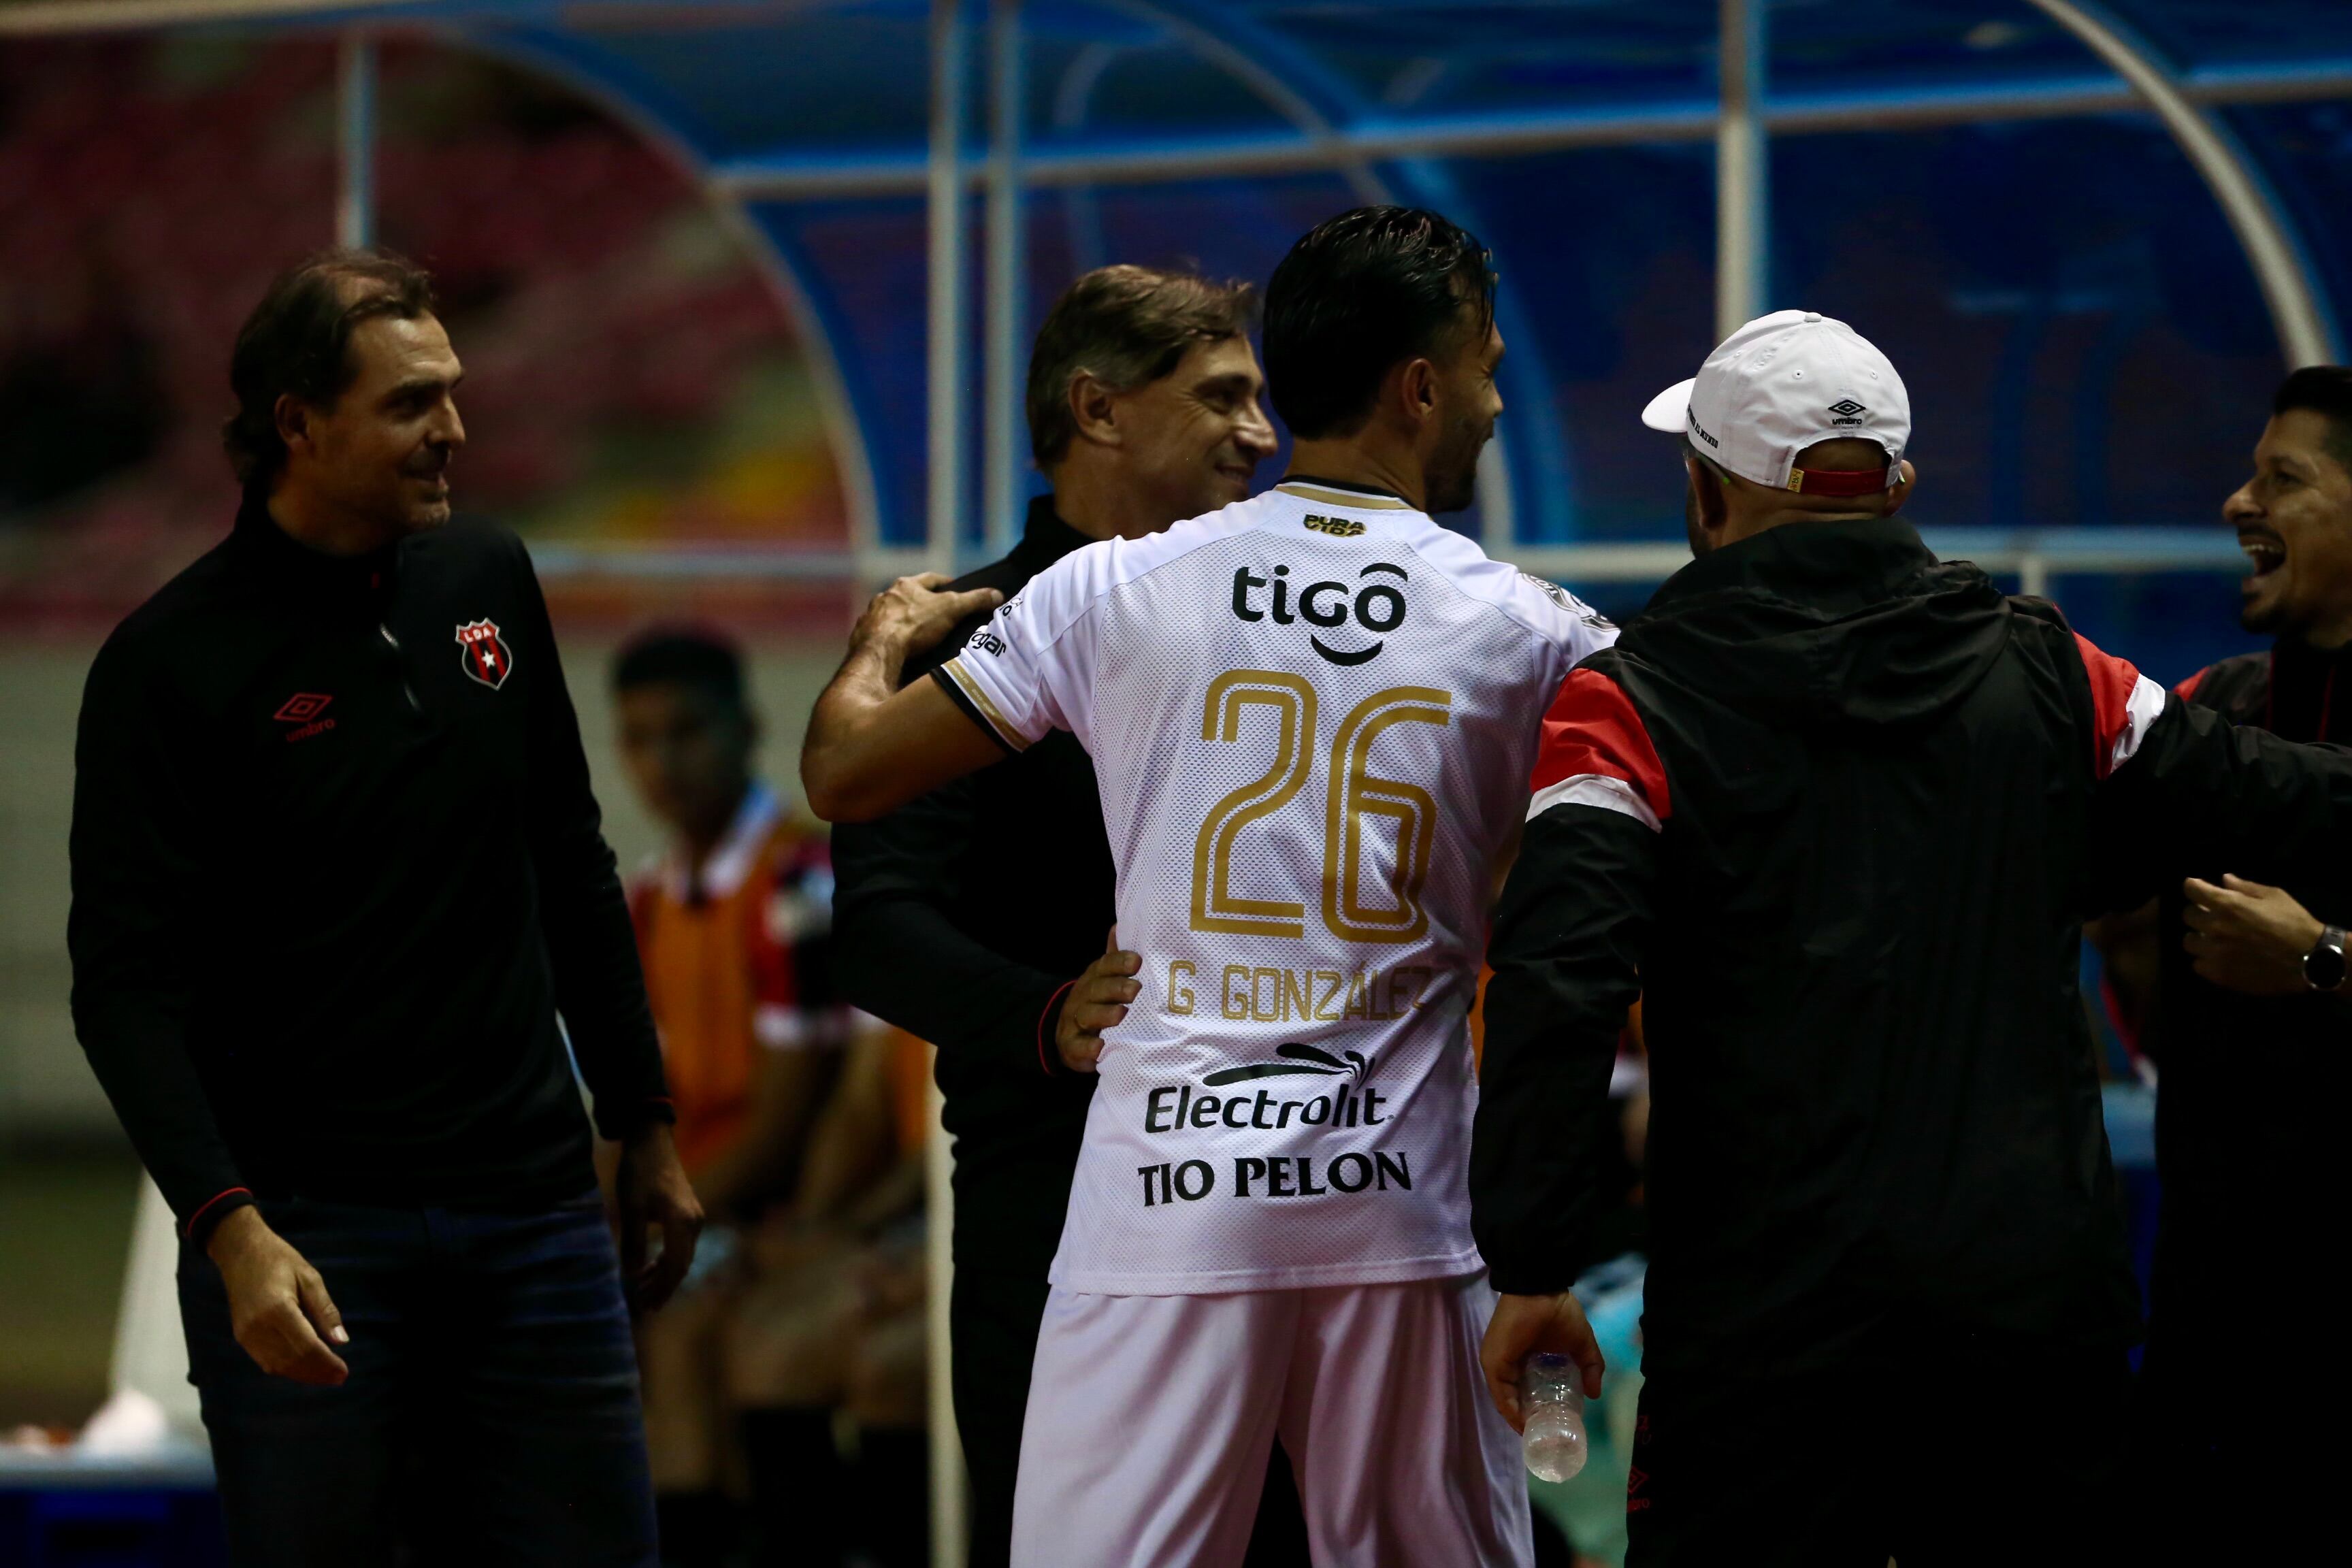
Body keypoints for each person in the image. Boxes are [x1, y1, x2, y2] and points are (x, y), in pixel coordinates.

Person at [802, 206, 1619, 1567]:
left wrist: (876, 646)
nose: (1490, 399)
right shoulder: (1532, 628)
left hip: (1164, 1195)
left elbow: (843, 773)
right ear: (1419, 389)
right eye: (1480, 368)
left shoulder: (1106, 593)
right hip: (1398, 1201)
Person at [1470, 310, 2352, 1567]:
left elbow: (1560, 988)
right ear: (1897, 489)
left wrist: (1535, 1262)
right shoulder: (2059, 679)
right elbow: (2297, 799)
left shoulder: (1629, 703)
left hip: (1761, 1339)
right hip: (2033, 1328)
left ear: (1706, 491)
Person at [66, 249, 698, 1567]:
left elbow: (569, 860)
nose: (455, 430)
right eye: (413, 404)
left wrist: (641, 1121)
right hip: (313, 1240)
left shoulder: (487, 577)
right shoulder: (167, 668)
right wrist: (228, 1230)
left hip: (536, 1218)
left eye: (452, 394)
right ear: (298, 423)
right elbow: (125, 989)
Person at [824, 263, 1307, 1567]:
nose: (1262, 435)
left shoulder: (1272, 630)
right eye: (1222, 397)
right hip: (1053, 1209)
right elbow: (872, 925)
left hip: (1265, 1198)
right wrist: (1047, 1019)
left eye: (1259, 398)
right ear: (1099, 411)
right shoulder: (964, 640)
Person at [2094, 366, 2352, 1563]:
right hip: (2209, 1309)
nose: (2237, 502)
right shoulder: (2215, 708)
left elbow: (2304, 962)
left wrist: (2323, 960)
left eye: (2283, 479)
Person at [609, 629, 862, 1567]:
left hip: (779, 1200)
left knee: (674, 1328)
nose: (664, 762)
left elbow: (794, 1118)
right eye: (639, 739)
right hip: (696, 1196)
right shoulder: (646, 898)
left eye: (686, 732)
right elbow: (628, 1110)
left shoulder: (801, 878)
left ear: (747, 729)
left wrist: (664, 1224)